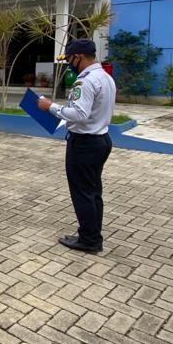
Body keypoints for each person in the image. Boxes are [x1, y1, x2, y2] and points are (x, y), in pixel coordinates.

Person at [36, 38, 117, 253]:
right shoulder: (106, 77)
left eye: (69, 59)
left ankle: (89, 240)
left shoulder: (86, 81)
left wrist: (50, 106)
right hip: (101, 140)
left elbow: (79, 114)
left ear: (78, 57)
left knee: (83, 193)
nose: (68, 64)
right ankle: (92, 235)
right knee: (93, 192)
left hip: (84, 144)